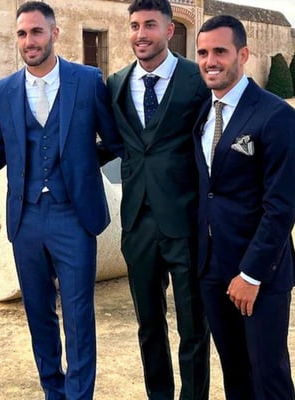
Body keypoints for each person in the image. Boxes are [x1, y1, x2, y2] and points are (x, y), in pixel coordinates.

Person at [0, 2, 120, 399]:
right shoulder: (4, 90)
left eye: (36, 31)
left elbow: (113, 141)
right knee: (38, 313)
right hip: (25, 218)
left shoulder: (87, 80)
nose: (29, 41)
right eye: (22, 33)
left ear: (54, 33)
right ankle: (53, 391)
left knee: (79, 316)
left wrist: (82, 166)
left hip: (74, 216)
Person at [104, 0, 211, 398]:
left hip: (186, 221)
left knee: (193, 327)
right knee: (148, 326)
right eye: (134, 25)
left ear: (169, 30)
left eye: (150, 25)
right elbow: (113, 143)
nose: (140, 34)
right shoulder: (116, 83)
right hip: (137, 223)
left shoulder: (196, 78)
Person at [194, 15, 295, 400]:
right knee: (235, 375)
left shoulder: (277, 115)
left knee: (268, 377)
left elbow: (282, 206)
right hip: (213, 270)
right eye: (202, 53)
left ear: (243, 54)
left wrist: (251, 275)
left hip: (260, 275)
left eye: (220, 51)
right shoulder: (204, 113)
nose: (210, 61)